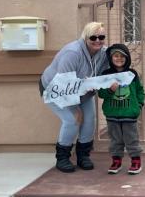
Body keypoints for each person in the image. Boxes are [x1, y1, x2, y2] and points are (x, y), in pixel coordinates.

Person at [39, 21, 108, 173]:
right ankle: (62, 157)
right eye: (93, 37)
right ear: (85, 37)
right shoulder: (72, 53)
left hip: (82, 92)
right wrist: (74, 109)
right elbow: (63, 84)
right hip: (55, 89)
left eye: (101, 37)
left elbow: (112, 67)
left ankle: (83, 156)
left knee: (89, 120)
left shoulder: (103, 52)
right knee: (73, 119)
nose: (98, 40)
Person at [98, 43, 145, 175]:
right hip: (112, 114)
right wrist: (110, 90)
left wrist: (139, 105)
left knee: (131, 138)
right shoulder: (106, 75)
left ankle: (136, 160)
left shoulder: (132, 74)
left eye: (122, 56)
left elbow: (140, 91)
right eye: (116, 56)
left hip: (129, 114)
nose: (119, 58)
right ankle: (116, 161)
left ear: (127, 57)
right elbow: (101, 94)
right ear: (111, 58)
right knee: (115, 139)